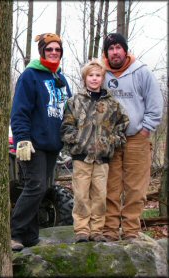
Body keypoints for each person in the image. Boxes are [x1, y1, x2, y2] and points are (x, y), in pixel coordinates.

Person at [10, 33, 72, 251]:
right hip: (33, 143)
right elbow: (19, 111)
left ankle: (31, 235)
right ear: (42, 51)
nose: (54, 53)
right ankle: (15, 233)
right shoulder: (30, 76)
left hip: (53, 145)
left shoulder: (61, 79)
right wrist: (22, 139)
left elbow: (68, 112)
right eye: (49, 49)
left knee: (43, 188)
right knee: (34, 186)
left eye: (57, 50)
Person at [101, 33, 163, 241]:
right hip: (110, 139)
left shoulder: (141, 72)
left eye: (119, 47)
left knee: (136, 188)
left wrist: (146, 129)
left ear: (125, 50)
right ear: (106, 52)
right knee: (111, 187)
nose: (115, 52)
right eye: (111, 48)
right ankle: (109, 230)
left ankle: (131, 231)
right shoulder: (100, 73)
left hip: (136, 137)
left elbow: (155, 104)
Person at [60, 59, 129, 243]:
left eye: (98, 75)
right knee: (81, 194)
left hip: (102, 159)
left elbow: (123, 125)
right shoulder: (75, 101)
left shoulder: (111, 103)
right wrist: (77, 142)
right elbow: (66, 126)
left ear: (102, 78)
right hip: (81, 158)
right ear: (85, 78)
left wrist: (111, 142)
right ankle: (82, 230)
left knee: (99, 195)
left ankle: (97, 230)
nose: (94, 79)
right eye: (91, 75)